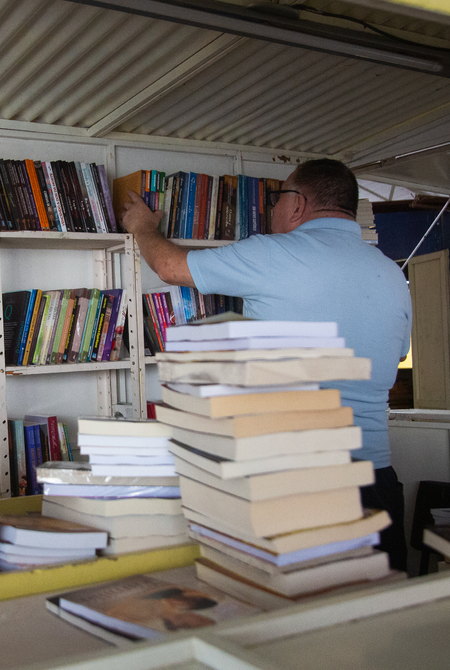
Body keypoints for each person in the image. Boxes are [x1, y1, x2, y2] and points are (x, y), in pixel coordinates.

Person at [119, 159, 412, 571]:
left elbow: (169, 267)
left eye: (277, 199)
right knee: (381, 614)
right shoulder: (391, 274)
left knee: (288, 616)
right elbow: (395, 358)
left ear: (297, 203)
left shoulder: (273, 253)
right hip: (375, 479)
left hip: (292, 476)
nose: (270, 211)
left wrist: (143, 227)